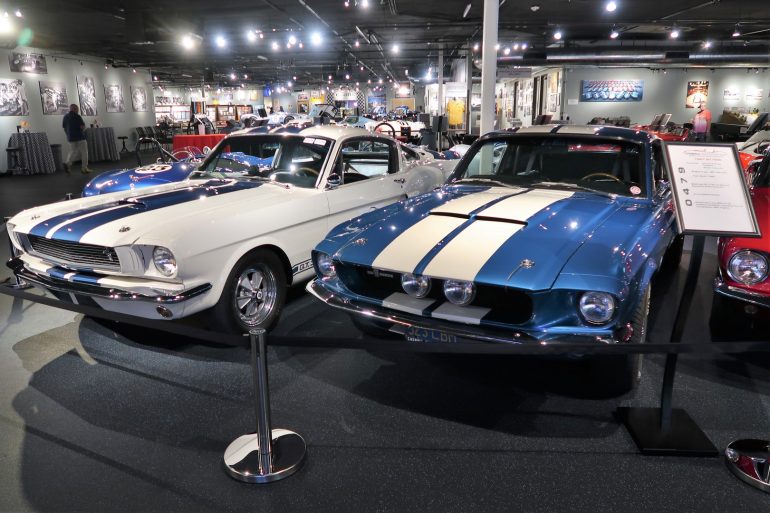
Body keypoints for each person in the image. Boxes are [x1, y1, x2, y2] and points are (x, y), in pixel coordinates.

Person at [62, 104, 93, 174]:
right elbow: (82, 126)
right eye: (77, 109)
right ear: (75, 109)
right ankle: (84, 168)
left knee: (72, 151)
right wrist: (84, 129)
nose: (78, 110)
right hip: (80, 137)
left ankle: (67, 163)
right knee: (84, 152)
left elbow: (64, 128)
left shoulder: (65, 116)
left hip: (70, 137)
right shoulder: (77, 116)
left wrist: (68, 135)